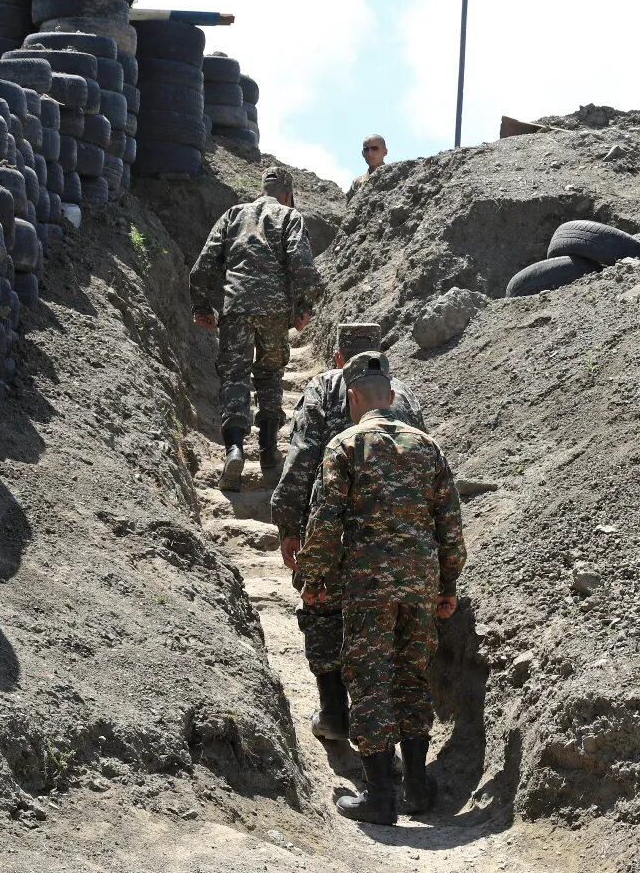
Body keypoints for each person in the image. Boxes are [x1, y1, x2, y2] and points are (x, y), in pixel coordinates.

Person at [297, 351, 464, 825]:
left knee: (369, 678)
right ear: (391, 396)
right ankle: (416, 785)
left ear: (353, 397)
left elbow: (325, 524)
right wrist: (447, 583)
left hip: (368, 584)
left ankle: (379, 796)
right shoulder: (428, 446)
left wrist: (315, 581)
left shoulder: (344, 446)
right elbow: (449, 524)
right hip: (420, 581)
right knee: (412, 673)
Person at [273, 322, 428, 744]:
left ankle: (335, 712)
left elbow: (302, 457)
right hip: (393, 542)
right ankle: (391, 735)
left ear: (339, 358)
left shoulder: (324, 388)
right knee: (387, 639)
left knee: (322, 611)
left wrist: (290, 525)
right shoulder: (403, 396)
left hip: (331, 530)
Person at [189, 167, 322, 489]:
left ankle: (234, 449)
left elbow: (204, 264)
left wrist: (202, 306)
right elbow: (302, 265)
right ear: (289, 193)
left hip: (236, 308)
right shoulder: (290, 216)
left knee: (235, 376)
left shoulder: (233, 214)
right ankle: (267, 449)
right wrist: (303, 307)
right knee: (270, 373)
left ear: (262, 189)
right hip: (275, 312)